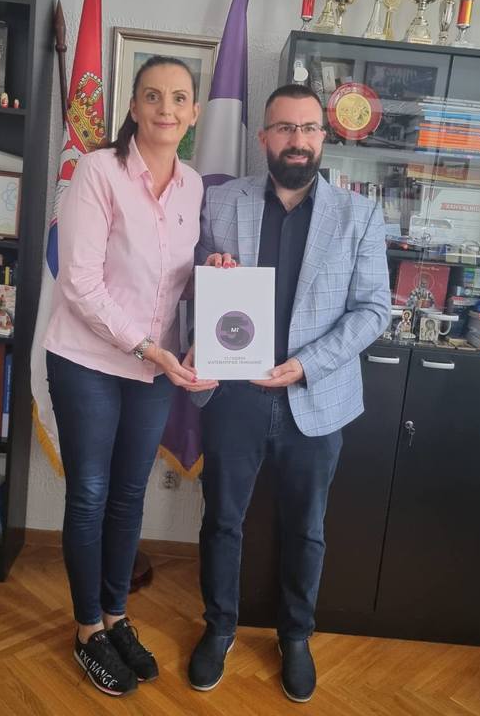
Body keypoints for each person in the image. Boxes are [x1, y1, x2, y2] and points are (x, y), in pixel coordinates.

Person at [186, 84, 389, 703]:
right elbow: (189, 281)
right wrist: (207, 275)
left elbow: (374, 310)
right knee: (222, 521)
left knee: (307, 528)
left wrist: (306, 365)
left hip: (316, 396)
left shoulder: (359, 215)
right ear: (264, 137)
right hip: (234, 394)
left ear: (323, 137)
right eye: (284, 128)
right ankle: (219, 627)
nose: (297, 140)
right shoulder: (221, 201)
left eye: (308, 129)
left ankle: (296, 636)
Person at [43, 56, 216, 698]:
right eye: (153, 96)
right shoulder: (99, 171)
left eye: (179, 98)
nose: (166, 108)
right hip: (88, 361)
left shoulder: (193, 186)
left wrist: (216, 275)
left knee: (128, 495)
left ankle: (117, 617)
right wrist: (148, 348)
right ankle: (87, 629)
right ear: (135, 107)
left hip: (155, 367)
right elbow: (79, 282)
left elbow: (174, 280)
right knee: (90, 494)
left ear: (194, 113)